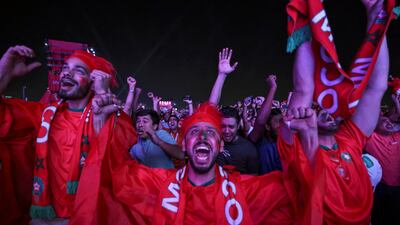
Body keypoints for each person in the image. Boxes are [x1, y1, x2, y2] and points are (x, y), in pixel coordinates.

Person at [284, 0, 391, 223]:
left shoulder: (350, 139)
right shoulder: (299, 147)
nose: (326, 111)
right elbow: (303, 89)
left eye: (330, 107)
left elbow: (376, 87)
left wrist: (376, 18)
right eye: (318, 107)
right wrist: (306, 12)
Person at [0, 45, 128, 225]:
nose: (66, 73)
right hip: (41, 217)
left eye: (79, 70)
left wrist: (102, 96)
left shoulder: (107, 115)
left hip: (89, 217)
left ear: (94, 80)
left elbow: (118, 165)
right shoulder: (42, 115)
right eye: (65, 68)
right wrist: (4, 73)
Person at [365, 93, 400, 225]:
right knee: (379, 216)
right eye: (385, 121)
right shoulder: (371, 138)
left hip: (397, 188)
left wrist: (397, 104)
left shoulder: (397, 136)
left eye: (391, 122)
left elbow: (396, 118)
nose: (389, 123)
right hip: (380, 188)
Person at [247, 75, 283, 174]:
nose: (283, 125)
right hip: (263, 187)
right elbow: (260, 121)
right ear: (267, 126)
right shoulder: (258, 140)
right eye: (279, 122)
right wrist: (273, 88)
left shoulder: (287, 142)